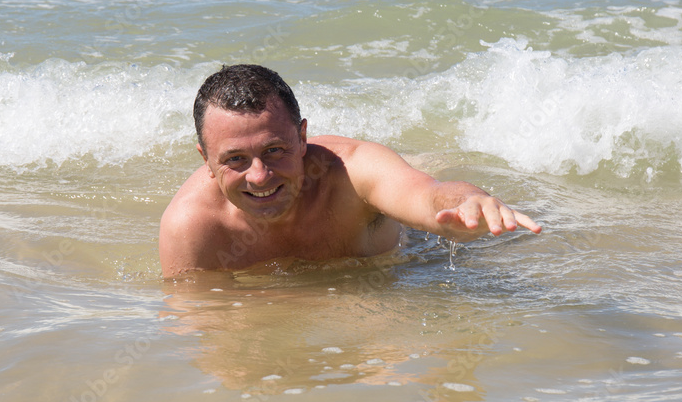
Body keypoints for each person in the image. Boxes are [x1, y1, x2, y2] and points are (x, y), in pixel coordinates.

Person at [159, 64, 541, 277]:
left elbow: (427, 196)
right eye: (235, 159)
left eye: (275, 150)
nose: (259, 175)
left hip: (416, 253)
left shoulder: (352, 172)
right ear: (205, 159)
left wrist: (469, 202)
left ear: (303, 136)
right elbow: (204, 330)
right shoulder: (192, 227)